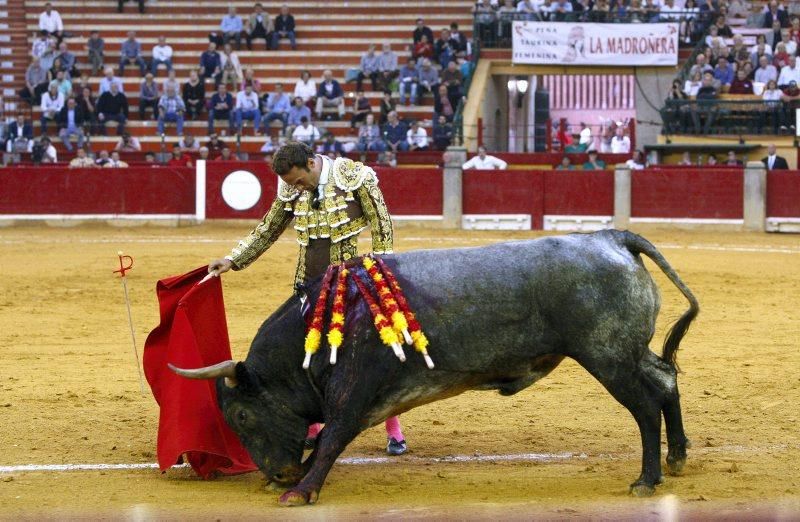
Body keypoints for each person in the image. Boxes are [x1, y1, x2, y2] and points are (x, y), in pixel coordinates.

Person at [206, 141, 408, 456]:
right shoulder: (292, 190)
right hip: (308, 285)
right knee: (307, 354)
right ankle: (313, 428)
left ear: (312, 163)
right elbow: (267, 230)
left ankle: (394, 430)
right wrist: (233, 259)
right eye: (290, 184)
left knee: (367, 355)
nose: (295, 188)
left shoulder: (354, 177)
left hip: (351, 281)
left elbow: (383, 226)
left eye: (298, 180)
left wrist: (380, 272)